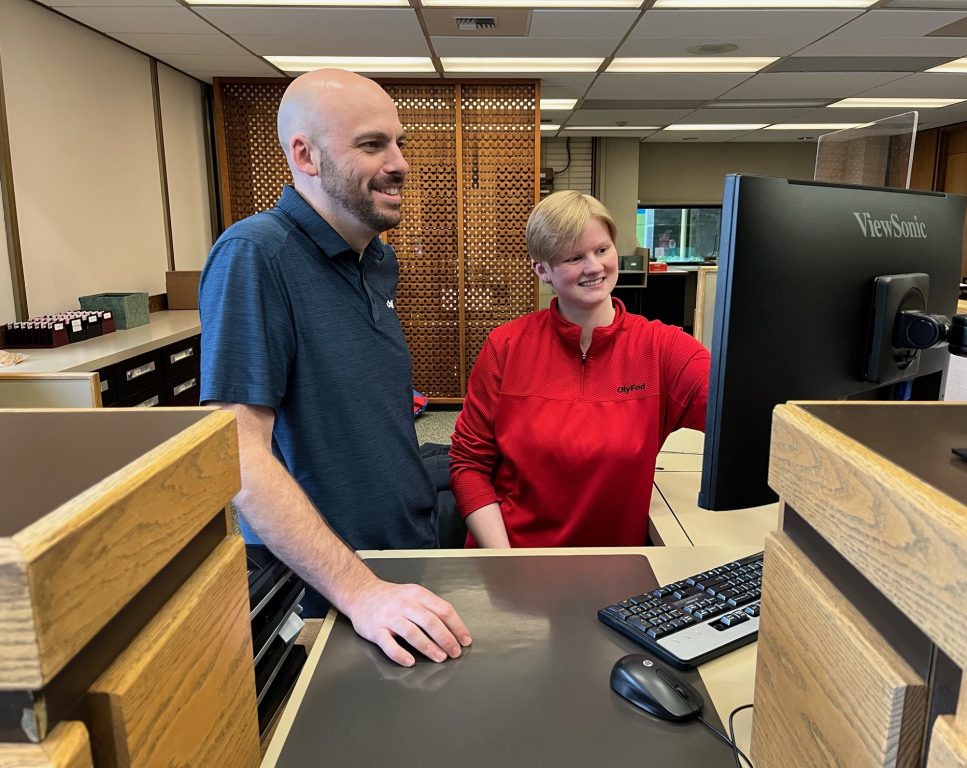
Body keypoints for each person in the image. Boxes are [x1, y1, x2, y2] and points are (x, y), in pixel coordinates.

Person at [199, 69, 471, 667]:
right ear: (305, 155)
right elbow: (238, 455)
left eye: (399, 143)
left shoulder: (376, 260)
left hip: (399, 559)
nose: (399, 162)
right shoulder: (256, 254)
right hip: (329, 588)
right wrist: (360, 592)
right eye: (372, 145)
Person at [449, 191, 710, 548]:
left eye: (602, 250)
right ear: (542, 270)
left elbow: (737, 415)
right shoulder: (506, 348)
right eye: (574, 257)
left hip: (611, 570)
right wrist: (505, 562)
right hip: (511, 561)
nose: (594, 267)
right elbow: (469, 465)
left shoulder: (663, 348)